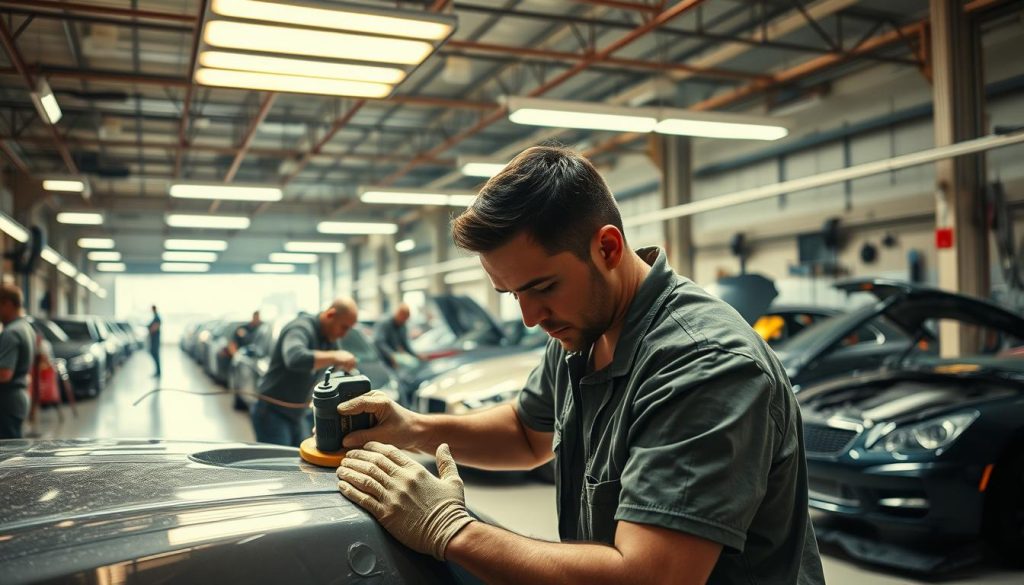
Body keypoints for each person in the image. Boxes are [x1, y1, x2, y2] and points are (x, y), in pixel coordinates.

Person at [333, 146, 825, 584]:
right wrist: (412, 428)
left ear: (607, 248)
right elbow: (528, 434)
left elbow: (652, 575)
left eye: (542, 287)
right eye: (513, 294)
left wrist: (451, 529)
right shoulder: (582, 330)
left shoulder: (704, 365)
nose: (530, 318)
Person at [251, 297, 359, 447]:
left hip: (298, 414)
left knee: (302, 463)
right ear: (330, 315)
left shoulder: (329, 339)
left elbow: (330, 365)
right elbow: (295, 358)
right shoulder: (300, 328)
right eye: (344, 327)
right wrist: (335, 357)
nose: (344, 334)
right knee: (279, 468)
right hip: (272, 412)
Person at [0, 284, 35, 439]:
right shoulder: (26, 327)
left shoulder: (11, 333)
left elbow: (4, 374)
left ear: (7, 303)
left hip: (7, 402)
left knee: (5, 457)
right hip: (18, 399)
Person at [373, 303, 418, 368]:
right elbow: (379, 341)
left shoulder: (402, 326)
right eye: (403, 318)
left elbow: (405, 344)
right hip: (380, 358)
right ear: (398, 314)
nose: (404, 321)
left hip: (393, 358)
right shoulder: (384, 322)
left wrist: (416, 355)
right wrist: (391, 355)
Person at [148, 305, 161, 378]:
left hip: (155, 340)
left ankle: (158, 372)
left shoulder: (157, 318)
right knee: (154, 355)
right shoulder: (155, 317)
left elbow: (155, 328)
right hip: (154, 339)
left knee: (155, 354)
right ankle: (158, 371)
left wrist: (150, 329)